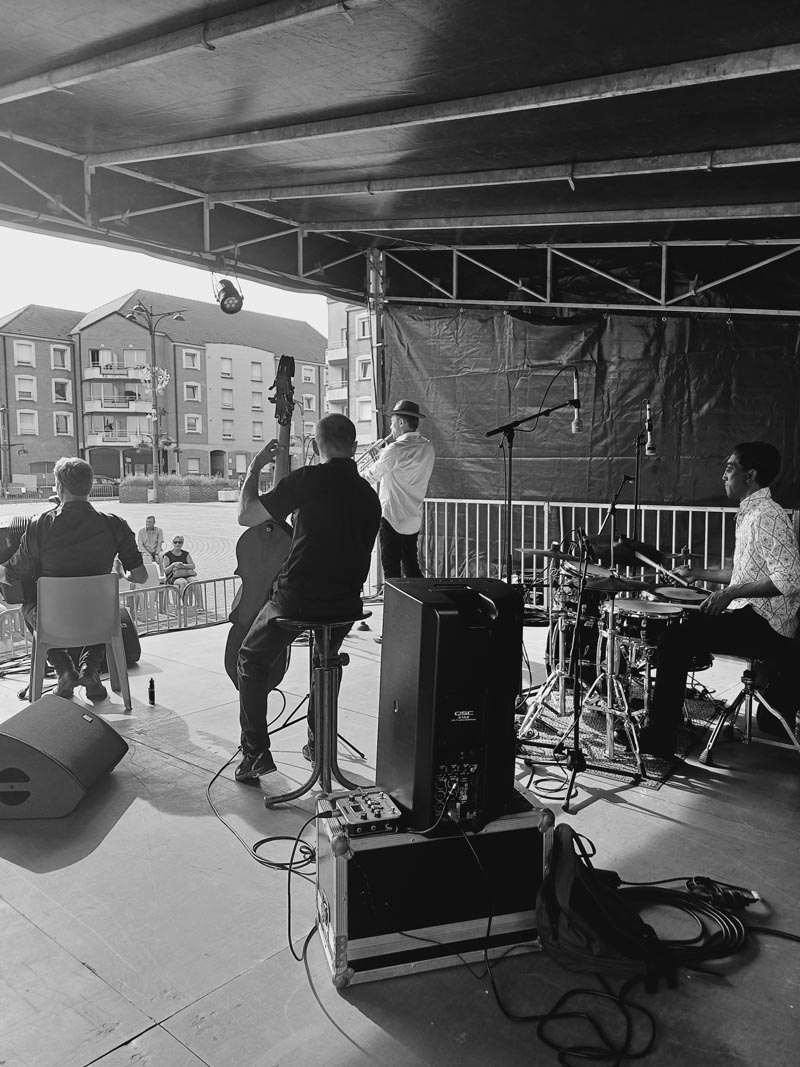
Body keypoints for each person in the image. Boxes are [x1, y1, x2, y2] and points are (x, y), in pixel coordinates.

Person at [234, 413, 381, 782]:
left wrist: (254, 469)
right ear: (354, 447)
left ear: (316, 446)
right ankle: (319, 745)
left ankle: (255, 753)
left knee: (250, 659)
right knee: (325, 662)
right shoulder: (369, 496)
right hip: (346, 605)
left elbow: (247, 515)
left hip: (297, 600)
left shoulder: (308, 479)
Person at [640, 442, 800, 761]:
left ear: (750, 475)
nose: (724, 476)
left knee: (674, 639)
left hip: (768, 625)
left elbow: (790, 579)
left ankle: (659, 739)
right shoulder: (752, 512)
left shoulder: (767, 516)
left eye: (729, 469)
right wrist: (696, 573)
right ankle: (668, 718)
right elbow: (743, 573)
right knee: (680, 627)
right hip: (752, 614)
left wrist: (730, 594)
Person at [0, 456, 147, 700]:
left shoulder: (39, 526)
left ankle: (64, 669)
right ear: (89, 486)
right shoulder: (116, 524)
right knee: (100, 607)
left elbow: (13, 572)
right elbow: (140, 576)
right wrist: (122, 572)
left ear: (59, 487)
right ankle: (90, 668)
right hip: (100, 621)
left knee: (28, 606)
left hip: (54, 623)